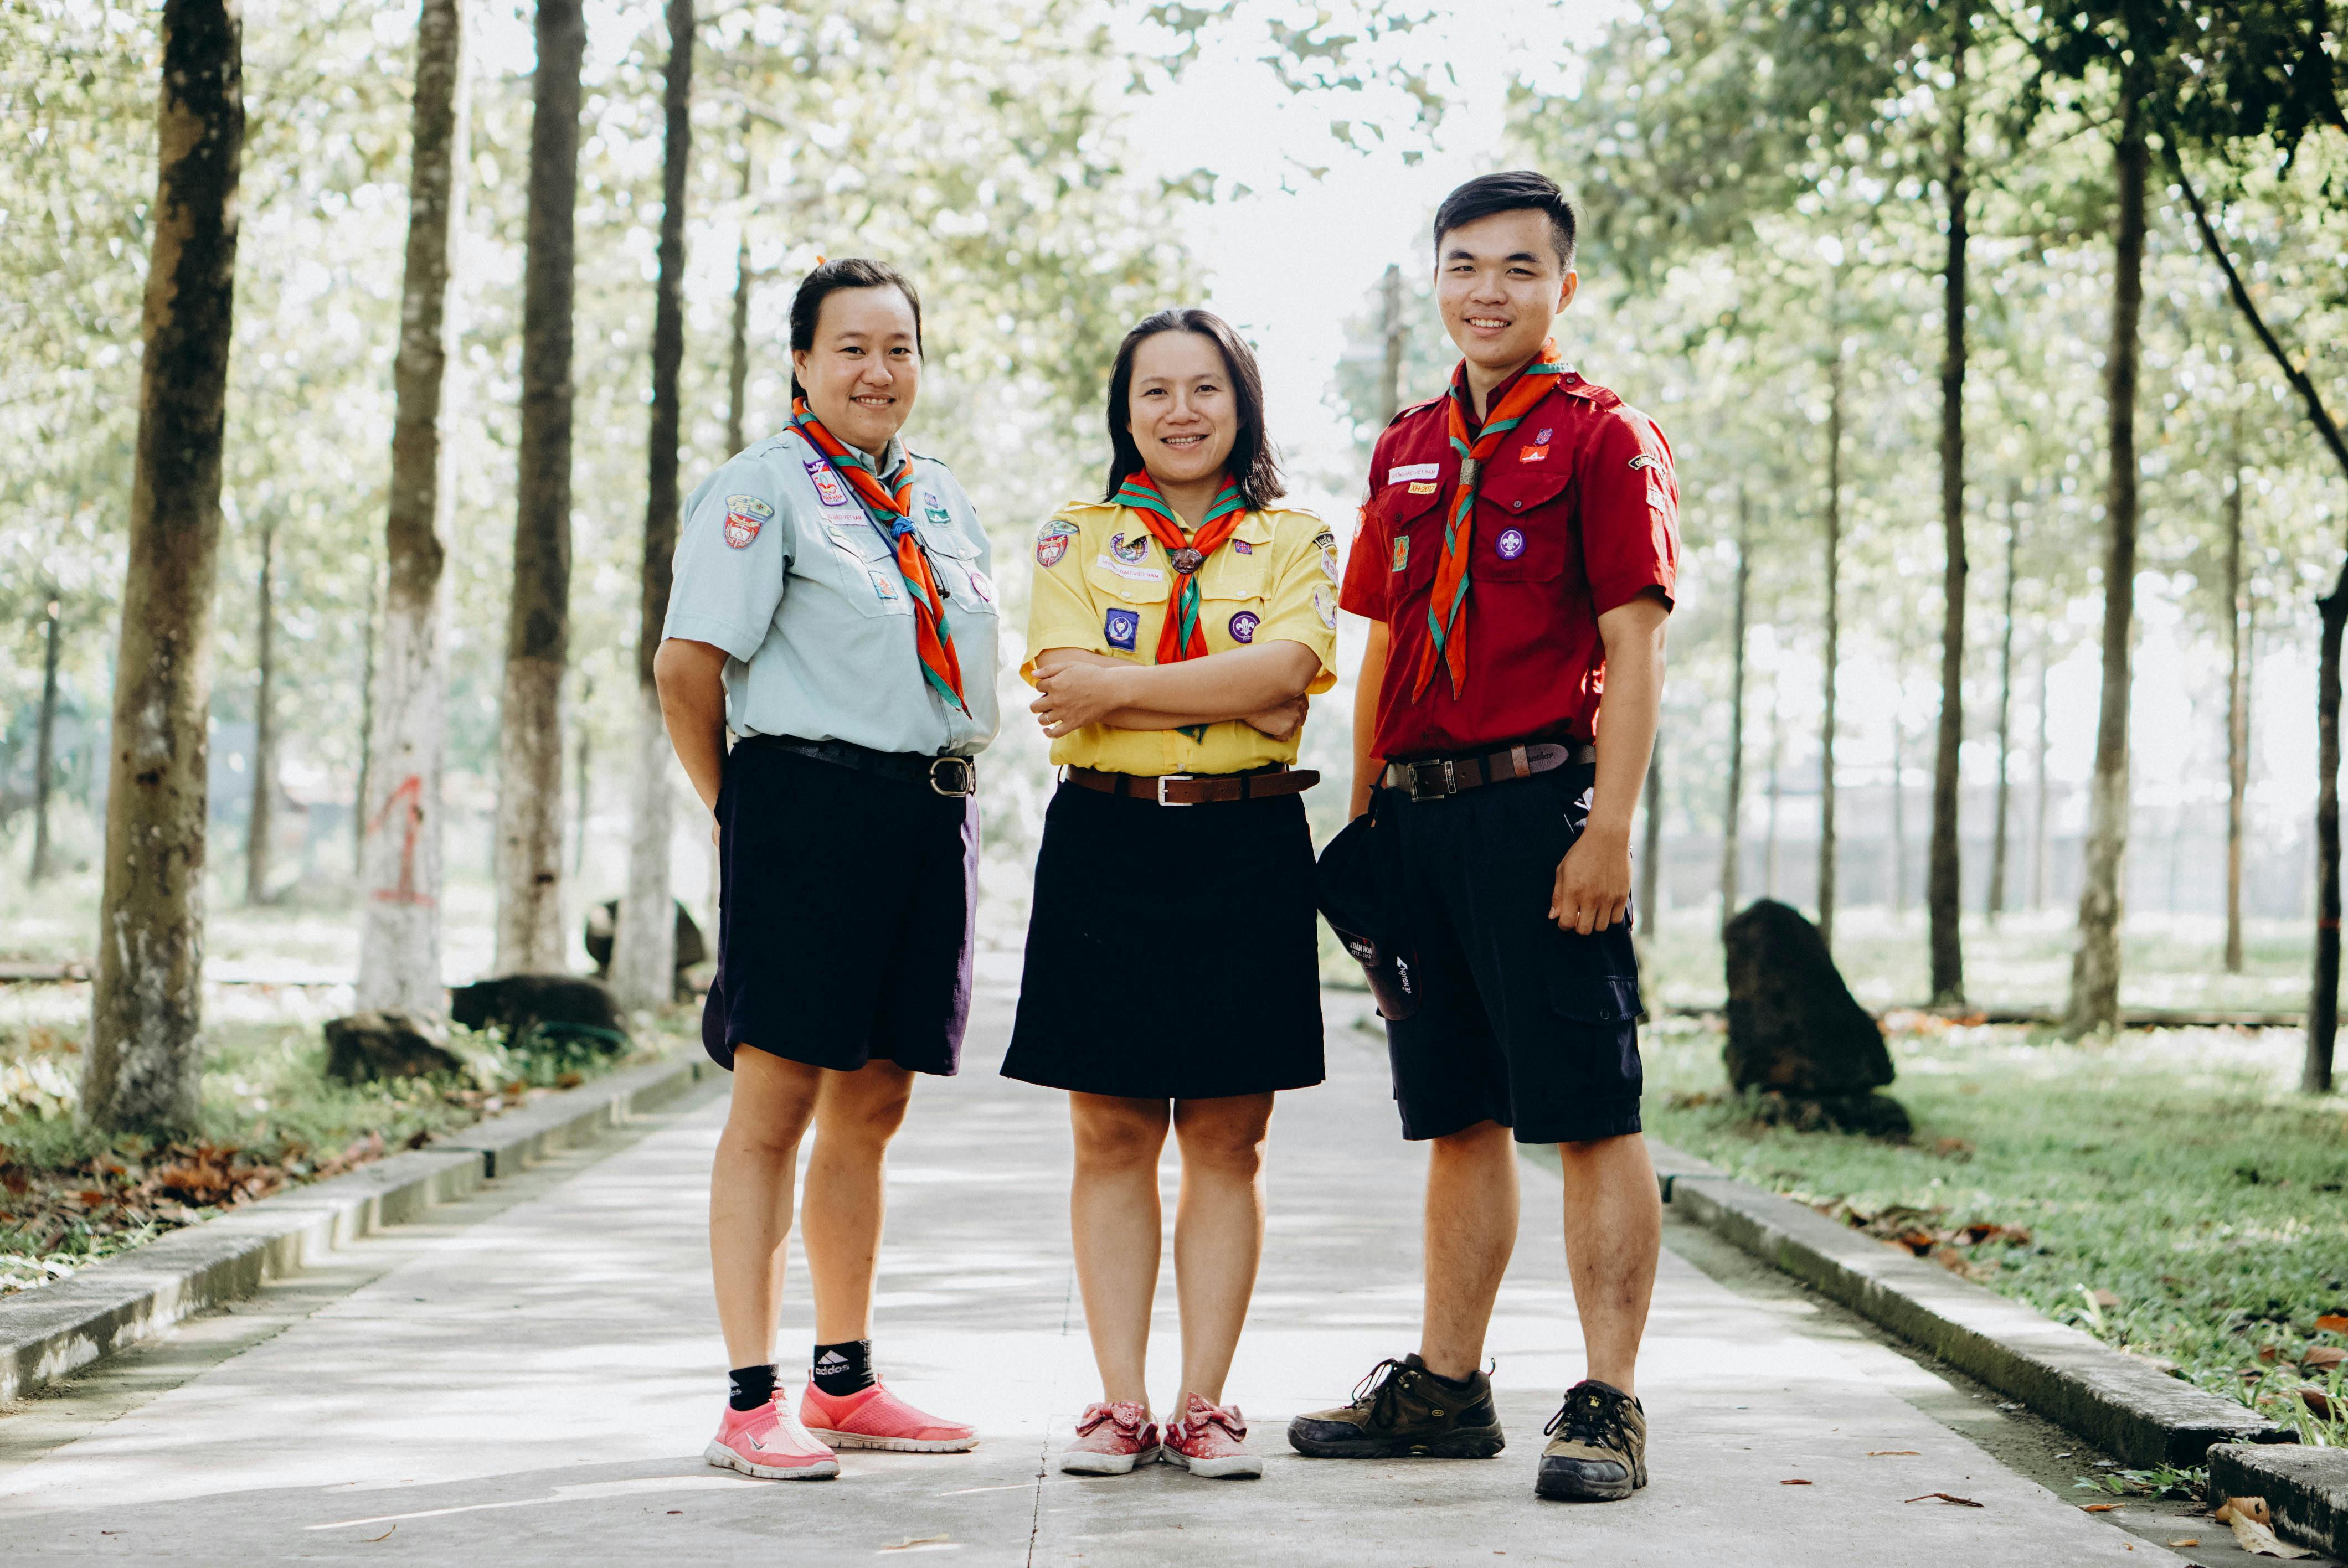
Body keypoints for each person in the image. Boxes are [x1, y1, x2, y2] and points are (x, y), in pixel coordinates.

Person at [1286, 171, 1680, 1503]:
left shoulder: (1603, 438)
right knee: (1455, 1110)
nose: (1487, 291)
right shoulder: (1402, 447)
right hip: (1418, 815)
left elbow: (1633, 648)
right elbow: (1383, 644)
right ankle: (1445, 1391)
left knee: (1587, 1110)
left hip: (1539, 806)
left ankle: (1608, 1401)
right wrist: (1364, 828)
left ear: (1561, 288)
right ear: (1435, 280)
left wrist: (1607, 828)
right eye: (1463, 265)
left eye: (1517, 268)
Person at [655, 257, 1001, 1481]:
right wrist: (738, 814)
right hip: (805, 808)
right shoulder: (764, 491)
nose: (877, 370)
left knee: (876, 1103)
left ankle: (842, 1382)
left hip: (926, 817)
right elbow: (686, 668)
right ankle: (751, 1403)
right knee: (775, 1108)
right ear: (801, 362)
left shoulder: (941, 502)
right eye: (850, 347)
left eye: (898, 347)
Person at [1004, 307, 1338, 1481]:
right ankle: (1116, 1403)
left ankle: (1204, 1404)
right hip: (1105, 840)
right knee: (1107, 1130)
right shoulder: (1073, 536)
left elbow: (1288, 677)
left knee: (1227, 1137)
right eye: (1156, 391)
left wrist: (1127, 686)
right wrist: (1226, 696)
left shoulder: (1293, 537)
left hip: (1244, 845)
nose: (1182, 412)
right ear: (1124, 410)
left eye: (1206, 389)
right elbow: (1061, 687)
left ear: (1241, 405)